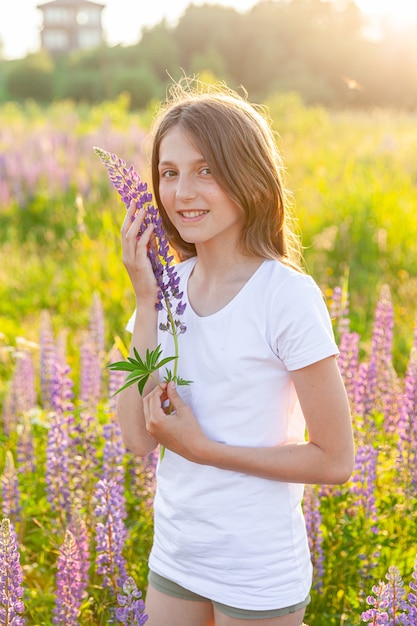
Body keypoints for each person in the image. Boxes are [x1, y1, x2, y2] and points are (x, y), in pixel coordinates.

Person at [117, 80, 354, 626]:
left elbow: (336, 461)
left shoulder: (285, 295)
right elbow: (134, 440)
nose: (181, 193)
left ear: (248, 177)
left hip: (257, 571)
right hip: (175, 557)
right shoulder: (165, 290)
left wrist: (203, 449)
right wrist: (145, 298)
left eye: (206, 170)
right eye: (169, 173)